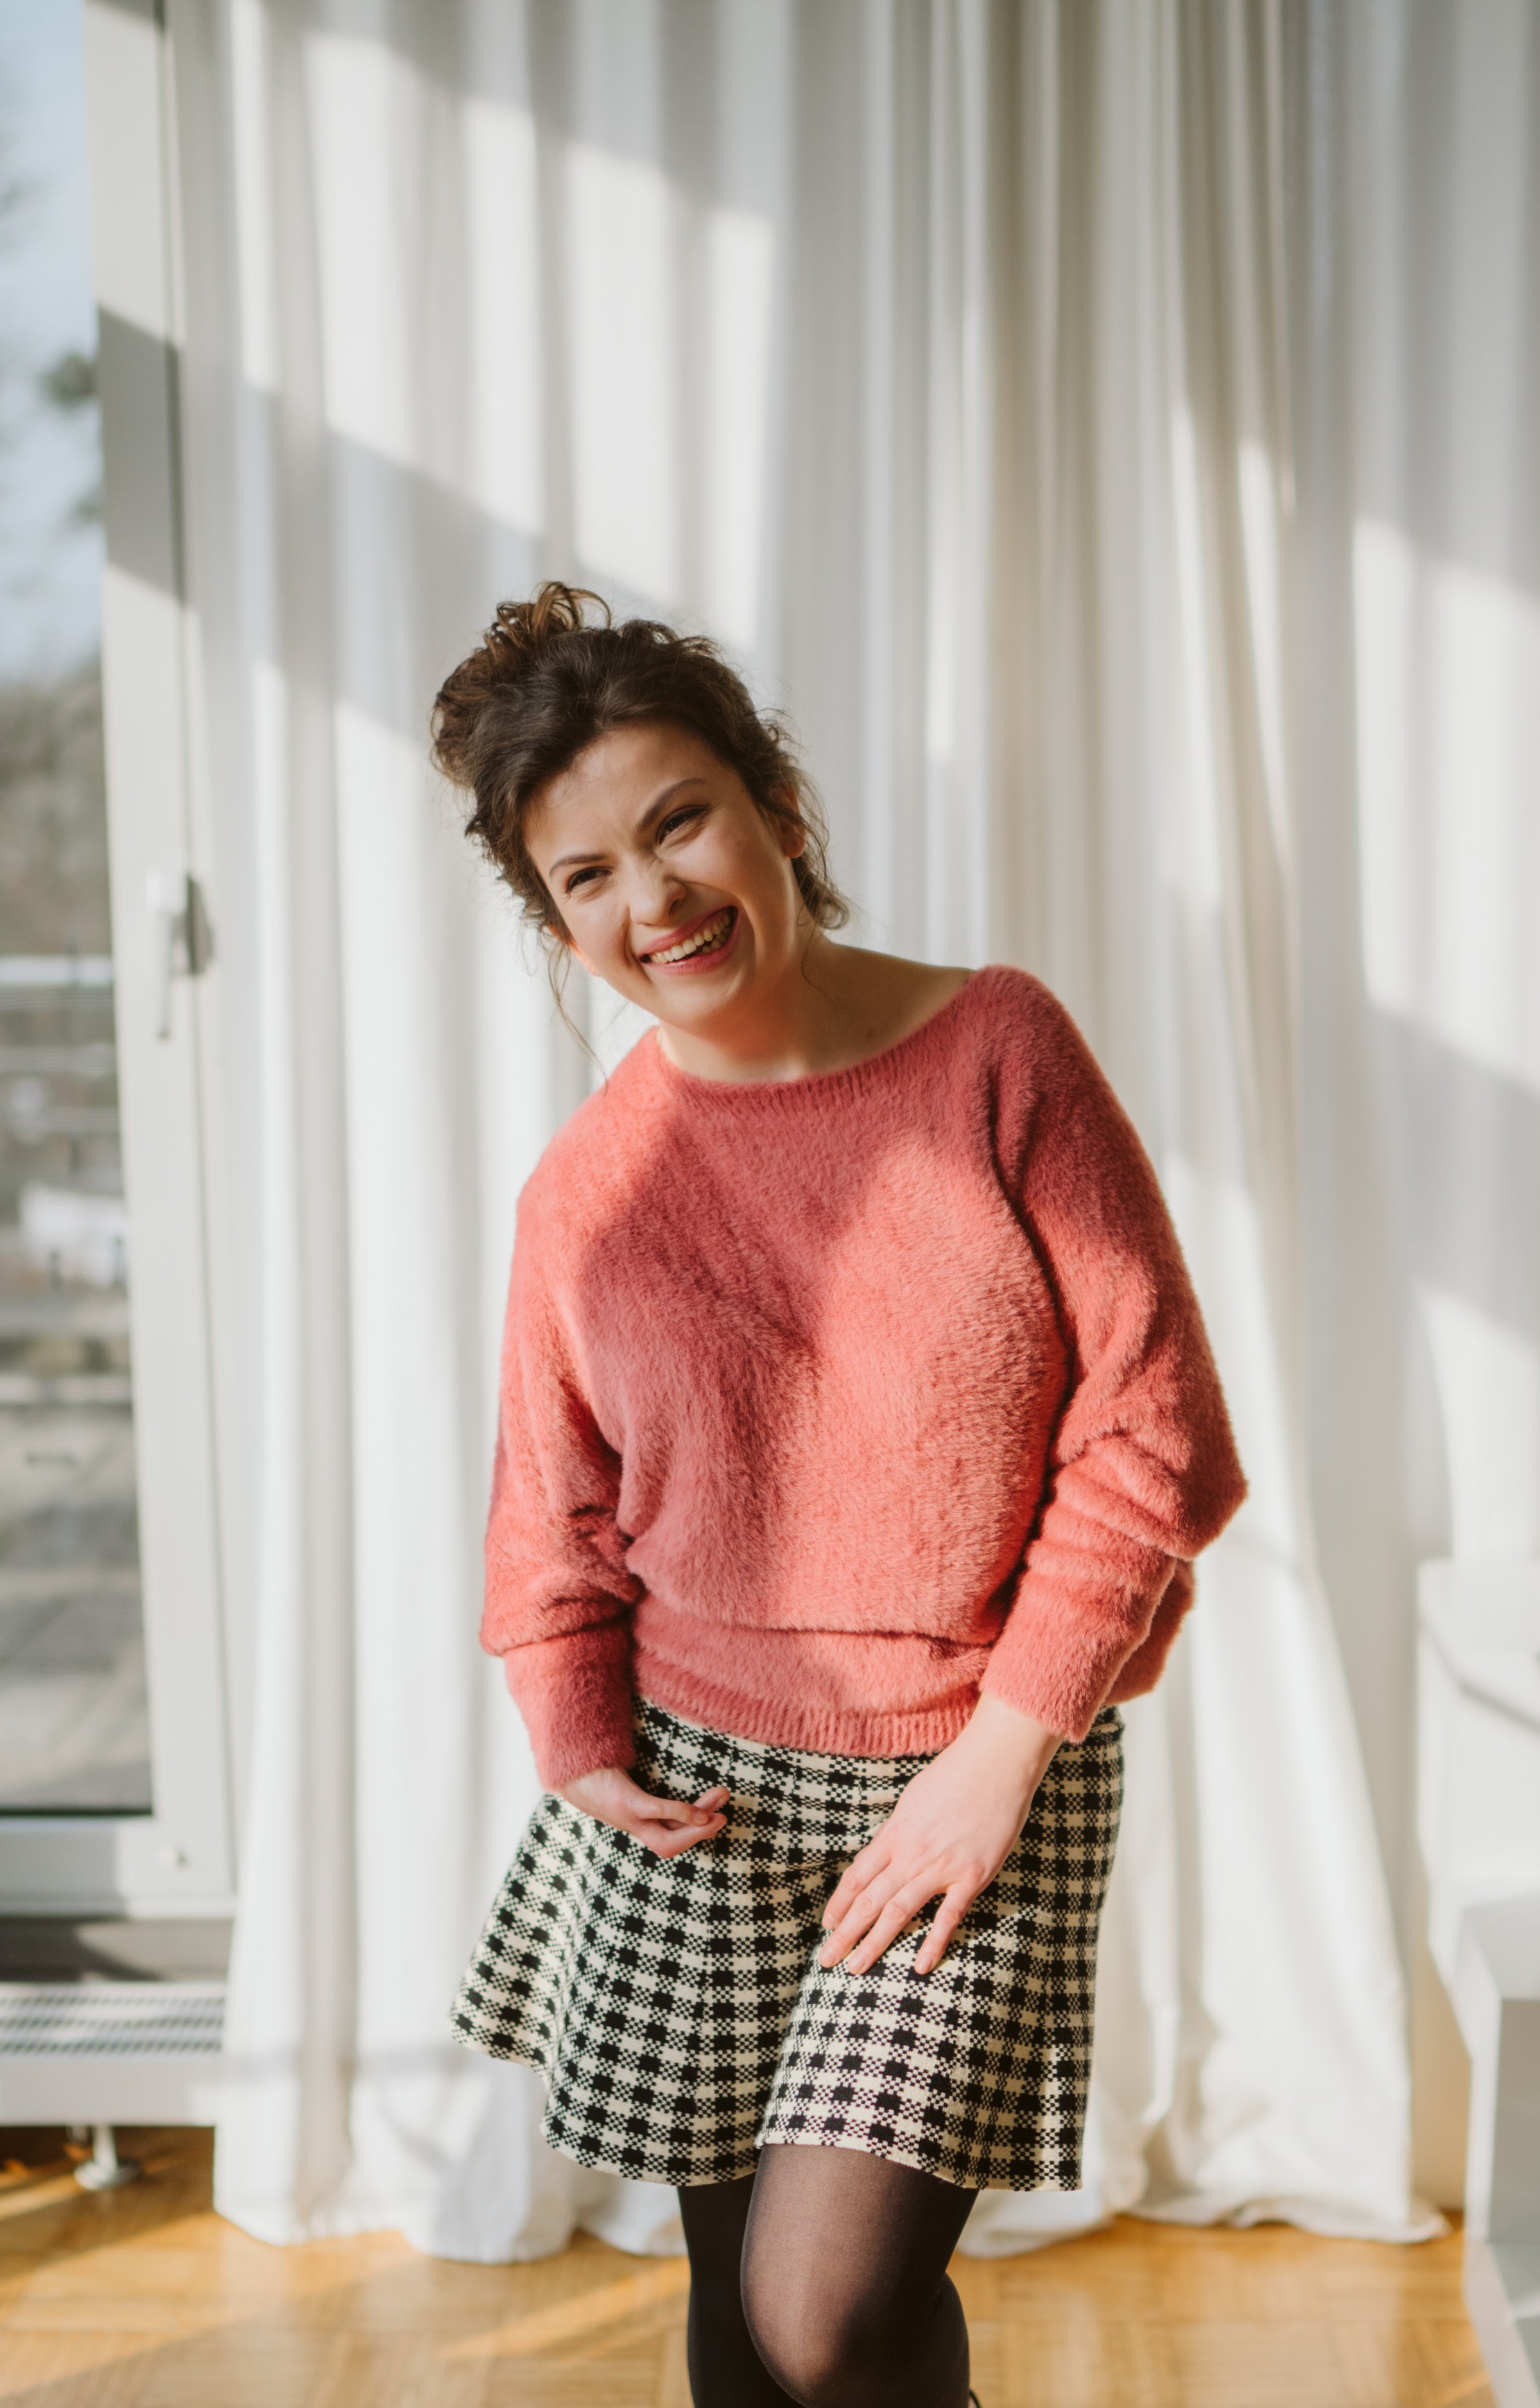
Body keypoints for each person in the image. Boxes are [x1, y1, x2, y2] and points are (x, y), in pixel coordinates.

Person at [436, 584, 1245, 2408]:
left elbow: (1152, 1430)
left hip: (977, 1762)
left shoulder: (997, 1052)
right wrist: (577, 1742)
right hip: (698, 1790)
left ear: (776, 805)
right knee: (740, 2313)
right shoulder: (588, 1193)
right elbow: (550, 1509)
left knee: (832, 2311)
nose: (652, 900)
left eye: (680, 822)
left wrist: (997, 1761)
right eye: (586, 877)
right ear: (555, 925)